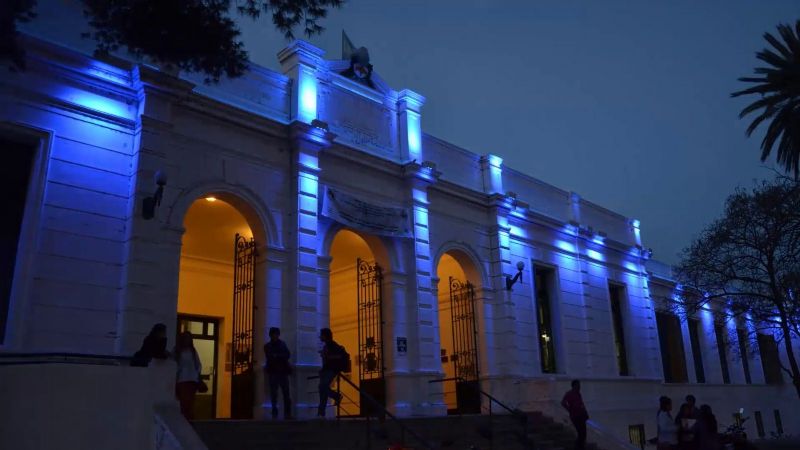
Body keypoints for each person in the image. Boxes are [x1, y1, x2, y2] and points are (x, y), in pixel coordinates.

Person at [317, 328, 346, 418]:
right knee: (322, 390)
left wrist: (326, 356)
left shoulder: (333, 345)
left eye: (321, 335)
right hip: (326, 370)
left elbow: (336, 356)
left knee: (322, 387)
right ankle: (321, 413)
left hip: (330, 370)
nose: (320, 337)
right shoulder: (327, 346)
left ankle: (336, 396)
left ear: (325, 336)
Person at [264, 327, 292, 420]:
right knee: (274, 393)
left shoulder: (281, 344)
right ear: (271, 335)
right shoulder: (268, 346)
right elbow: (271, 356)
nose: (275, 336)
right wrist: (280, 356)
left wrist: (277, 356)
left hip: (282, 371)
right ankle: (275, 411)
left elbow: (287, 354)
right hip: (274, 371)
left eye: (276, 334)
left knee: (286, 393)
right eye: (274, 334)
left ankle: (287, 413)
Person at [174, 331, 202, 420]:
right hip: (182, 379)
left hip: (192, 380)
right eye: (186, 338)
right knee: (184, 402)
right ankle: (185, 420)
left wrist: (197, 373)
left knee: (190, 402)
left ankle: (189, 420)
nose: (187, 340)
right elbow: (173, 362)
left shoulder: (193, 351)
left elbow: (198, 364)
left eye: (189, 338)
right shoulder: (177, 350)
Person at [561, 379, 589, 450]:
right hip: (575, 416)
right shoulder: (569, 393)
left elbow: (581, 404)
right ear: (574, 385)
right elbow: (563, 402)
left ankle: (581, 446)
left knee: (583, 432)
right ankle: (577, 447)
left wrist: (585, 413)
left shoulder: (578, 394)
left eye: (579, 385)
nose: (579, 386)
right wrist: (570, 410)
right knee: (580, 432)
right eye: (578, 385)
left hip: (581, 415)